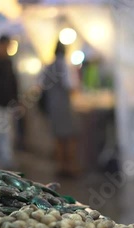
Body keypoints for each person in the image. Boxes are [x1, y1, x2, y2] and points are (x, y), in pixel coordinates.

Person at [39, 41, 81, 177]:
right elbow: (71, 86)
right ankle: (70, 167)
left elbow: (41, 84)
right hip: (64, 106)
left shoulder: (48, 66)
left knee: (58, 137)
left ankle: (60, 166)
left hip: (53, 106)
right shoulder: (64, 65)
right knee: (69, 137)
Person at [0, 35, 19, 170]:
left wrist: (15, 101)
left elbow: (13, 82)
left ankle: (6, 162)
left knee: (7, 135)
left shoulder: (8, 61)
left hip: (6, 105)